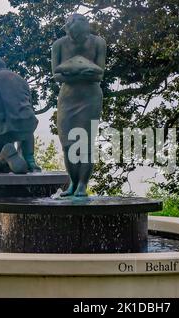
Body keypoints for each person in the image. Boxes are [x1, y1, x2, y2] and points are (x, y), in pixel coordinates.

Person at [52, 13, 107, 196]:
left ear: (87, 29)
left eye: (82, 35)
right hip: (68, 98)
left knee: (85, 142)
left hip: (90, 97)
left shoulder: (98, 42)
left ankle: (83, 184)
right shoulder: (59, 45)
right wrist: (82, 72)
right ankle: (73, 184)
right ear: (67, 30)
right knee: (67, 143)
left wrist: (73, 73)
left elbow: (99, 74)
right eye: (73, 35)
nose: (78, 40)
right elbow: (56, 74)